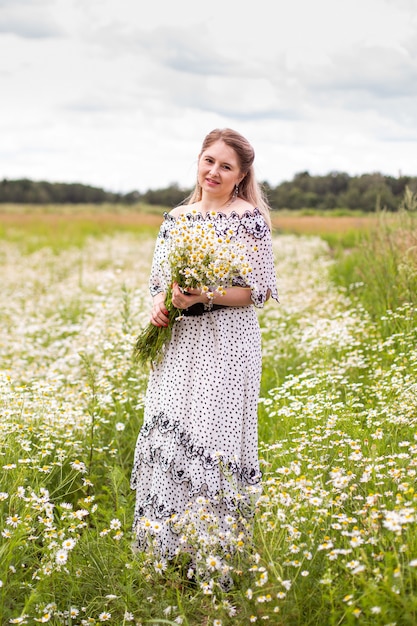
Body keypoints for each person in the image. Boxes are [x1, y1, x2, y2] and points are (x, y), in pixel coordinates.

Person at [130, 128, 278, 564]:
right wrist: (161, 305)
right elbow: (159, 282)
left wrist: (203, 295)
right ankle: (168, 554)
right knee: (173, 433)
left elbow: (258, 291)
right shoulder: (176, 219)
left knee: (214, 439)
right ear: (199, 160)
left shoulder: (248, 218)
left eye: (226, 166)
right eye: (209, 160)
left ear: (241, 174)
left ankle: (212, 556)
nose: (214, 171)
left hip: (228, 345)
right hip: (179, 343)